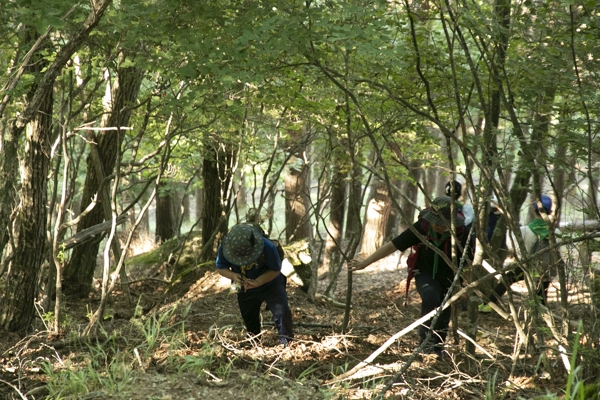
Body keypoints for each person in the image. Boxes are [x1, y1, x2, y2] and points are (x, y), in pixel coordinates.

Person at [348, 196, 470, 358]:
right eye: (435, 222)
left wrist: (465, 284)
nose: (438, 227)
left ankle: (438, 347)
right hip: (424, 272)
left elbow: (469, 262)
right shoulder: (422, 227)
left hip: (451, 276)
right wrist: (365, 263)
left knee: (445, 306)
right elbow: (393, 245)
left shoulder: (463, 233)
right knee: (431, 296)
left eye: (442, 224)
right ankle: (425, 344)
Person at [480, 195, 562, 311]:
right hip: (546, 269)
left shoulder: (524, 231)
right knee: (541, 294)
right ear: (550, 211)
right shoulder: (556, 232)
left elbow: (512, 247)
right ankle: (541, 318)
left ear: (533, 210)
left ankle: (486, 306)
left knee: (506, 280)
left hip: (526, 266)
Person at [216, 223, 294, 345]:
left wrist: (258, 282)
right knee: (249, 316)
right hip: (244, 287)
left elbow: (275, 269)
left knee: (282, 312)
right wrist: (233, 276)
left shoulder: (268, 247)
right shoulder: (224, 248)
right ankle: (254, 342)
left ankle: (286, 341)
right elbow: (221, 267)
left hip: (271, 283)